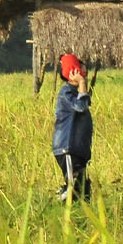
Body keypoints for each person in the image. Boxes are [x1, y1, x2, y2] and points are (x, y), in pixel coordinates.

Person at [52, 53, 93, 202]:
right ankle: (57, 201)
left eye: (85, 75)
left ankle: (82, 211)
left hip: (78, 150)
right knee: (72, 187)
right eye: (81, 74)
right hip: (68, 148)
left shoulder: (77, 94)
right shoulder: (66, 92)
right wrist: (81, 83)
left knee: (83, 190)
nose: (84, 78)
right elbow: (80, 106)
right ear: (72, 74)